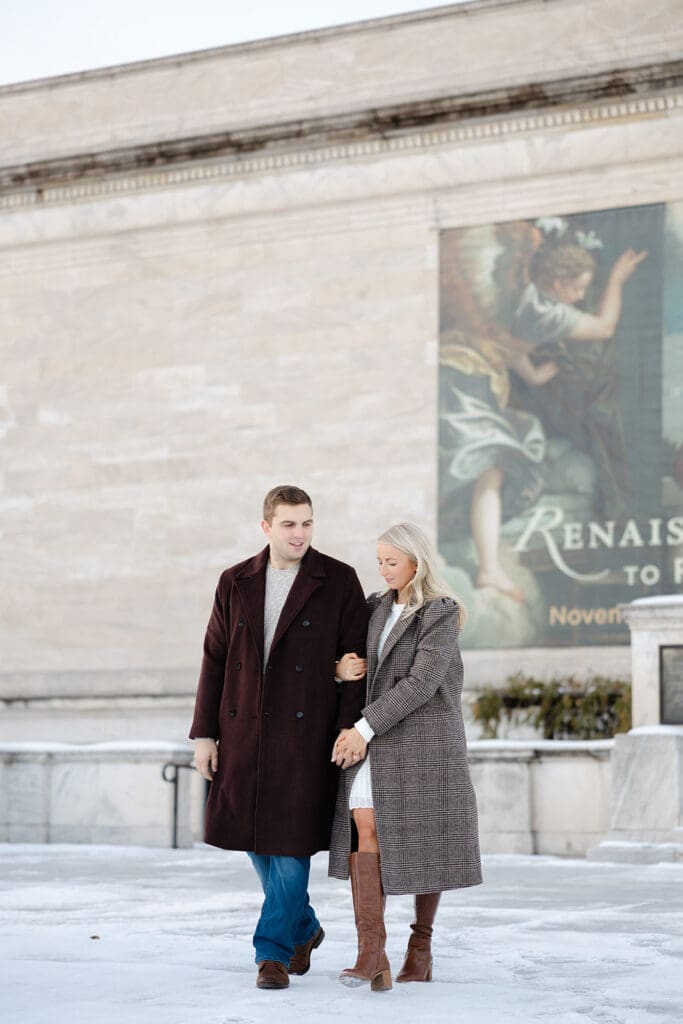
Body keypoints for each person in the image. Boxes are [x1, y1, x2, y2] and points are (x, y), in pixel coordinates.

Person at [190, 485, 368, 991]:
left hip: (306, 732)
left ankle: (272, 953)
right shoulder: (235, 580)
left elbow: (356, 662)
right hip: (243, 728)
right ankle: (304, 926)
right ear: (266, 527)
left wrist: (349, 726)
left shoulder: (338, 579)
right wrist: (205, 734)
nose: (299, 534)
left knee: (289, 841)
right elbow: (214, 658)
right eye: (289, 524)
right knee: (252, 835)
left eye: (307, 523)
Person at [328, 522, 482, 991]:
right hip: (376, 736)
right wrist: (338, 669)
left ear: (417, 562)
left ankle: (421, 944)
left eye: (391, 561)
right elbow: (347, 655)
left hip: (423, 740)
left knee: (427, 838)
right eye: (379, 561)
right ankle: (371, 951)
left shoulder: (440, 612)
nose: (383, 569)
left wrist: (362, 727)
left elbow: (421, 682)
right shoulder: (374, 607)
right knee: (365, 823)